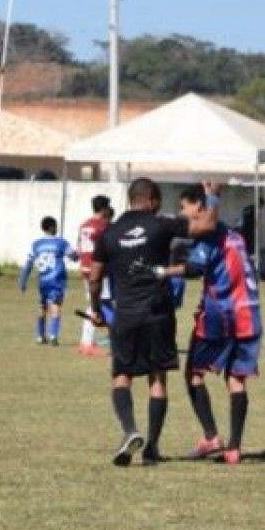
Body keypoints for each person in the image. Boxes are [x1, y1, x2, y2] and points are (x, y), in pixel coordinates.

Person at [156, 184, 260, 465]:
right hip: (250, 313)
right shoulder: (235, 235)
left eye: (184, 208)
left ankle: (212, 437)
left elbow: (196, 268)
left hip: (222, 314)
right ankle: (234, 449)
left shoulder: (210, 235)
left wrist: (163, 272)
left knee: (193, 373)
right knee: (236, 379)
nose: (182, 214)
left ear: (199, 207)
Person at [92, 178, 187, 466]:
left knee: (122, 375)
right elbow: (203, 228)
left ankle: (130, 430)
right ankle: (152, 447)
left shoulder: (108, 234)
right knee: (157, 378)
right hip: (157, 311)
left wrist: (97, 308)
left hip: (126, 313)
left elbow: (95, 278)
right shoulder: (162, 225)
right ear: (153, 199)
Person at [19, 216, 74, 346]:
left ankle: (40, 336)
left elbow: (28, 263)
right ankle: (53, 336)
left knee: (42, 307)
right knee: (55, 306)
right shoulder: (61, 243)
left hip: (43, 281)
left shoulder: (36, 244)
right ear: (53, 227)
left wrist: (23, 280)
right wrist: (77, 255)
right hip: (57, 280)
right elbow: (74, 255)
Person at [75, 195, 114, 356]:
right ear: (105, 208)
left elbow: (79, 245)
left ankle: (113, 339)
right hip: (99, 269)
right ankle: (86, 343)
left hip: (86, 267)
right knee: (97, 304)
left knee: (100, 302)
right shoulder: (103, 226)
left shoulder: (84, 225)